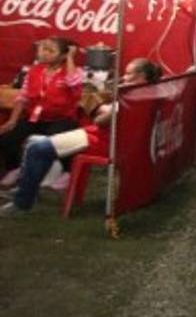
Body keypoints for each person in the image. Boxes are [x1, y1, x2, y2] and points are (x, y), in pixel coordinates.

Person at [1, 57, 160, 216]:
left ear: (141, 77)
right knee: (35, 141)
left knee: (38, 147)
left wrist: (104, 110)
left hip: (105, 141)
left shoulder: (132, 98)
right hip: (110, 138)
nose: (124, 77)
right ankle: (27, 189)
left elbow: (99, 121)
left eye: (128, 74)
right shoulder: (151, 94)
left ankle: (22, 203)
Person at [0, 37, 83, 184]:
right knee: (7, 136)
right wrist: (12, 120)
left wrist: (70, 57)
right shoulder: (33, 71)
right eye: (43, 49)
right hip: (36, 117)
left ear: (63, 55)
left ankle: (67, 171)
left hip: (62, 119)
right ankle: (14, 169)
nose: (44, 53)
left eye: (51, 51)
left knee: (57, 140)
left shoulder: (73, 71)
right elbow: (22, 97)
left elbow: (73, 82)